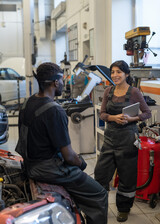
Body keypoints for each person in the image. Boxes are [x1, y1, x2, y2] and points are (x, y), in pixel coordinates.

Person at [15, 62, 108, 224]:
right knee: (99, 194)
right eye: (62, 80)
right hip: (48, 169)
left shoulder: (27, 102)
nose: (64, 83)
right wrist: (82, 164)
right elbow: (70, 156)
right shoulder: (54, 110)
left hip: (30, 164)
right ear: (55, 82)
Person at [94, 60, 151, 222]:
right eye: (113, 72)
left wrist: (131, 118)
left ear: (126, 74)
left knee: (127, 177)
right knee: (101, 174)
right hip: (110, 140)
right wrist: (113, 117)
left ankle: (124, 209)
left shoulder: (134, 92)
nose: (115, 75)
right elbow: (102, 114)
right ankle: (100, 206)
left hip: (128, 140)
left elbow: (146, 113)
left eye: (119, 72)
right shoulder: (108, 91)